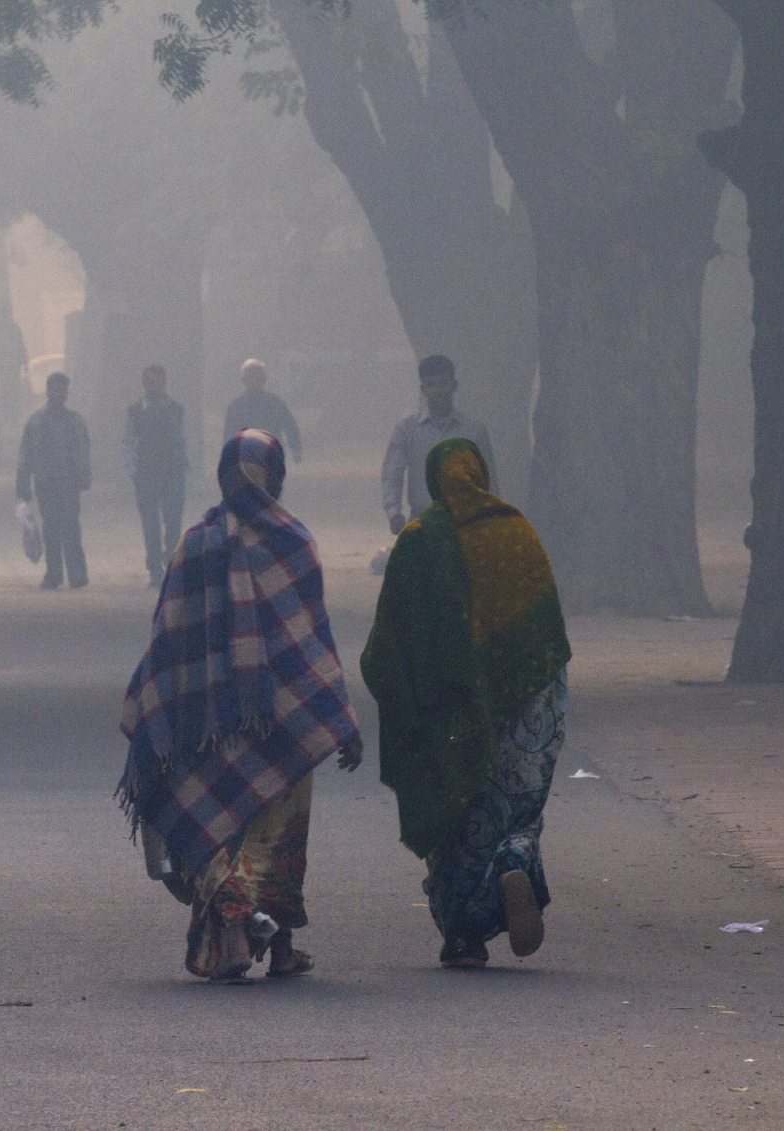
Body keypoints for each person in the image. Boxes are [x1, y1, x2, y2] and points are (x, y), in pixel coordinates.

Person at [118, 429, 363, 984]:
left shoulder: (193, 544)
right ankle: (280, 946)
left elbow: (168, 637)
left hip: (209, 725)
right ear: (275, 476)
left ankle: (230, 929)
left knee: (218, 825)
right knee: (280, 835)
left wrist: (160, 713)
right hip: (286, 722)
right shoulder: (293, 542)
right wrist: (341, 721)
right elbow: (313, 641)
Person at [360, 438, 571, 968]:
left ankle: (462, 936)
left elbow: (388, 643)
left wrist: (401, 698)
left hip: (450, 712)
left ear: (430, 480)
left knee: (456, 814)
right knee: (518, 807)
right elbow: (546, 626)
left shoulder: (417, 543)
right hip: (529, 701)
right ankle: (513, 861)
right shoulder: (516, 530)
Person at [382, 354, 498, 536]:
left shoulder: (474, 432)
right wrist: (393, 512)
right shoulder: (407, 430)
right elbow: (392, 473)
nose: (437, 390)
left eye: (442, 383)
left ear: (454, 386)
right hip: (422, 525)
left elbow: (487, 481)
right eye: (431, 384)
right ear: (423, 389)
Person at [15, 372, 90, 590]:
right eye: (56, 389)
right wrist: (23, 484)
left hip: (69, 483)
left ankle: (77, 575)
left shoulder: (75, 421)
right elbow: (25, 455)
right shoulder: (36, 422)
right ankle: (54, 574)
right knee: (51, 529)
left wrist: (84, 476)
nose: (60, 394)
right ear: (47, 391)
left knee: (71, 528)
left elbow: (84, 451)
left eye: (63, 390)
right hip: (45, 484)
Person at [125, 364, 187, 587]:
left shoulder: (176, 408)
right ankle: (154, 568)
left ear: (164, 383)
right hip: (147, 473)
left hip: (172, 473)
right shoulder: (135, 411)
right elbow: (128, 441)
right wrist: (132, 469)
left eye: (158, 382)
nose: (155, 387)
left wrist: (183, 464)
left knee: (173, 522)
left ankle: (171, 561)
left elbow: (182, 438)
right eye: (151, 383)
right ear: (144, 384)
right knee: (150, 523)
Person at [223, 360, 302, 463]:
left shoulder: (274, 403)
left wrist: (296, 449)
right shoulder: (237, 406)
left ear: (263, 379)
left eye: (257, 378)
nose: (254, 381)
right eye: (250, 378)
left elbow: (290, 426)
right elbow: (229, 433)